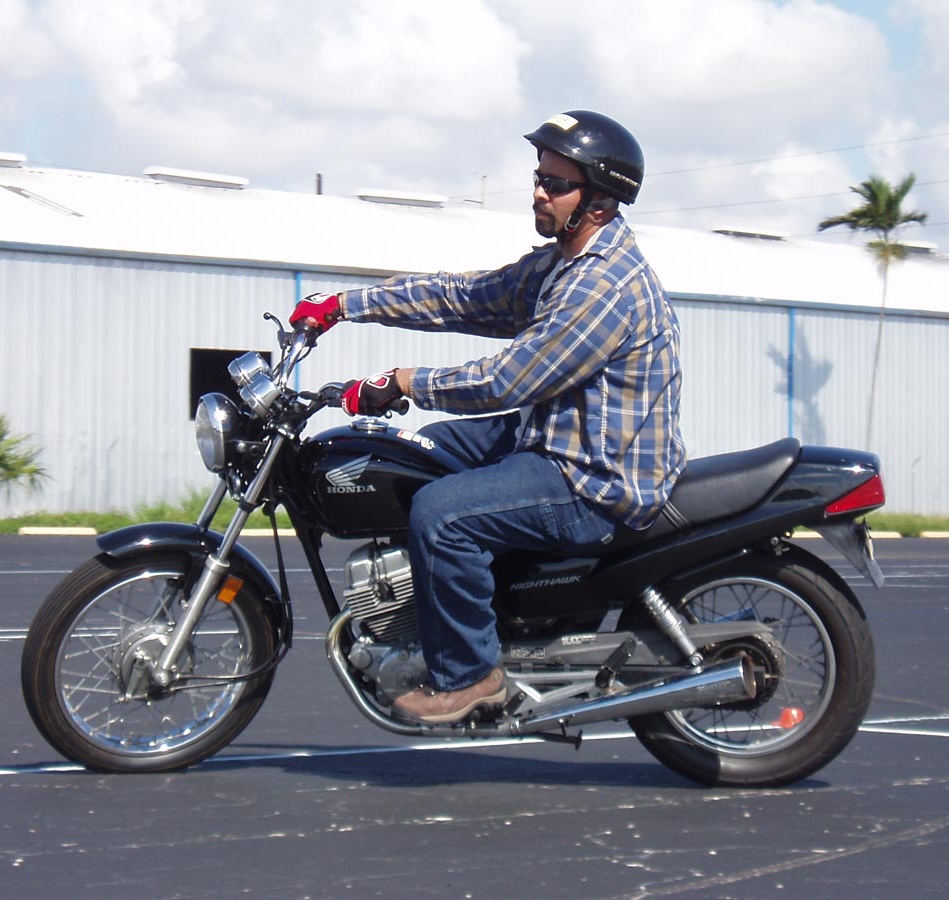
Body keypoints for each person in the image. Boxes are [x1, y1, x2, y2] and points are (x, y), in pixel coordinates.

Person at [290, 110, 686, 725]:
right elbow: (465, 296)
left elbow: (508, 381)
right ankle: (467, 604)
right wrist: (344, 304)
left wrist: (402, 381)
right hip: (560, 431)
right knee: (417, 449)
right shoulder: (562, 264)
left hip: (595, 476)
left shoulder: (602, 286)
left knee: (441, 512)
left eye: (556, 184)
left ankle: (471, 676)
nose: (539, 192)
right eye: (539, 178)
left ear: (600, 200)